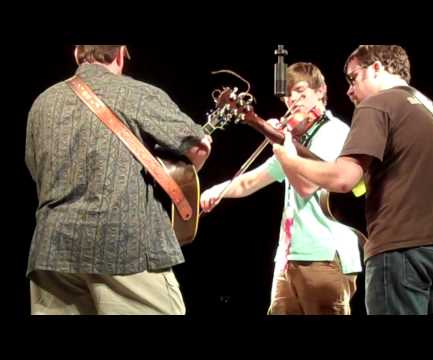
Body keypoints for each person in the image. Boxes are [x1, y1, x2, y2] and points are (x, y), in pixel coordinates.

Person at [272, 45, 433, 315]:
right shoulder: (432, 110)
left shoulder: (377, 104)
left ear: (376, 68)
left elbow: (344, 179)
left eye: (353, 78)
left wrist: (289, 159)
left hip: (398, 250)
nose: (349, 90)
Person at [25, 45, 212, 315]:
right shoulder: (137, 93)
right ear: (120, 53)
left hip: (52, 253)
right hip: (124, 248)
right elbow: (196, 148)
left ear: (78, 53)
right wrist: (204, 143)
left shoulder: (43, 102)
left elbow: (36, 170)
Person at [201, 62, 362, 315]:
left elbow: (307, 186)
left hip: (326, 257)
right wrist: (216, 192)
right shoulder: (294, 141)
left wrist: (282, 146)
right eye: (288, 95)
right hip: (288, 259)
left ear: (321, 91)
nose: (293, 100)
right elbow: (249, 181)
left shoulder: (336, 132)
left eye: (300, 91)